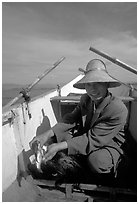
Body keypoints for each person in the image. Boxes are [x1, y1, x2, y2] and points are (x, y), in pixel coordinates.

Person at [30, 59, 128, 177]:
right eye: (89, 84)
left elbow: (93, 139)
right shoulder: (86, 100)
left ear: (106, 84)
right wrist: (46, 134)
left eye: (98, 83)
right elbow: (70, 120)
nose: (93, 89)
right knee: (62, 138)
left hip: (110, 144)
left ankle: (105, 174)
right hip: (89, 138)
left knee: (97, 160)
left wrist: (59, 146)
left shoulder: (117, 109)